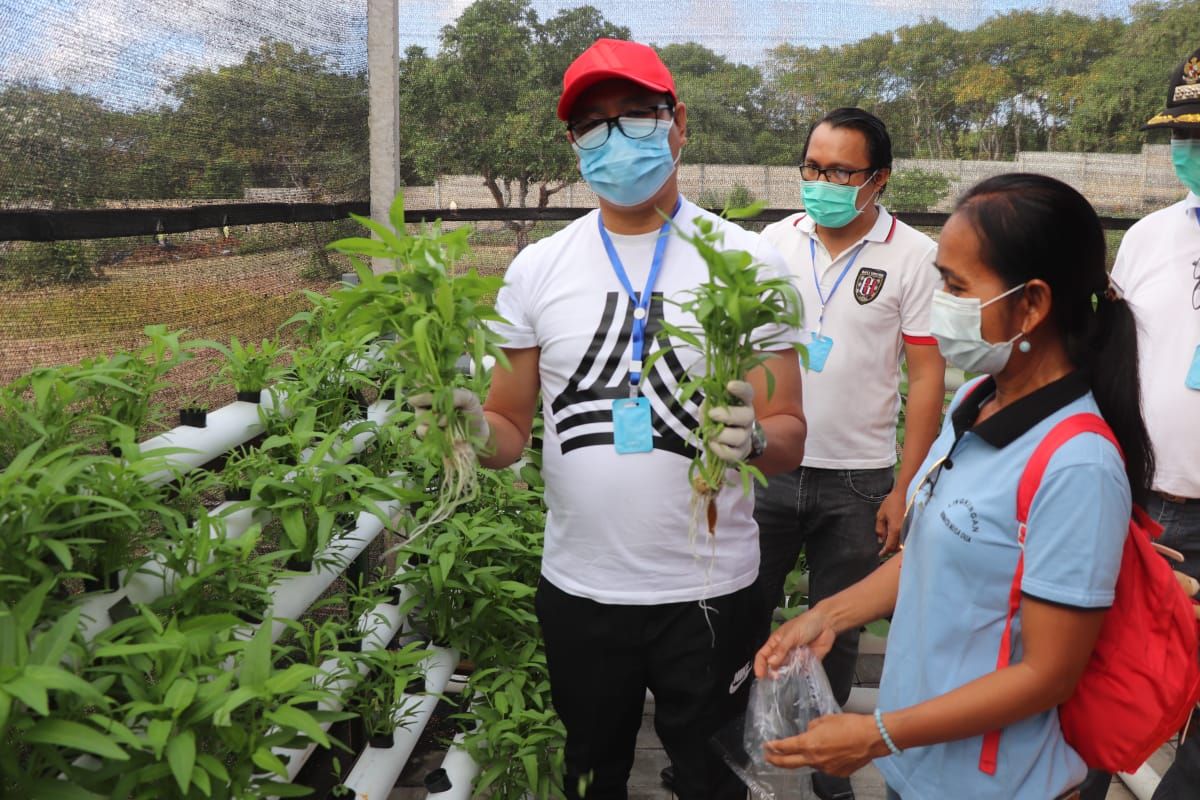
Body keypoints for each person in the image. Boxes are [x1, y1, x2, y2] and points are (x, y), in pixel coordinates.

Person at [418, 38, 807, 799]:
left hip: (712, 590)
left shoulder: (746, 260)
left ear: (679, 123)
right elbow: (506, 429)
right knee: (592, 771)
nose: (613, 137)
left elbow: (790, 432)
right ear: (572, 143)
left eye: (635, 115)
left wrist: (756, 439)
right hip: (583, 587)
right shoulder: (539, 267)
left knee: (711, 776)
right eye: (591, 124)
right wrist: (464, 425)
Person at [754, 173, 1154, 799]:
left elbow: (1048, 674)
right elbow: (939, 550)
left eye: (956, 286)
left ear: (1032, 304)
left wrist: (875, 733)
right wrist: (827, 614)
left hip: (996, 783)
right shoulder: (976, 401)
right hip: (920, 766)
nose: (941, 300)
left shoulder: (1076, 464)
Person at [752, 107, 945, 800]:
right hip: (768, 466)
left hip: (859, 481)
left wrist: (907, 486)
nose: (821, 182)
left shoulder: (914, 256)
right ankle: (729, 756)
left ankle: (827, 776)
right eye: (812, 167)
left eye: (840, 171)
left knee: (833, 633)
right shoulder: (772, 242)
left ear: (878, 180)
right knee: (745, 614)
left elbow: (926, 377)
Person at [1095, 46, 1200, 800]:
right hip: (1153, 501)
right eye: (1185, 135)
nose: (1189, 151)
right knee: (1113, 681)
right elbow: (1114, 360)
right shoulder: (1149, 237)